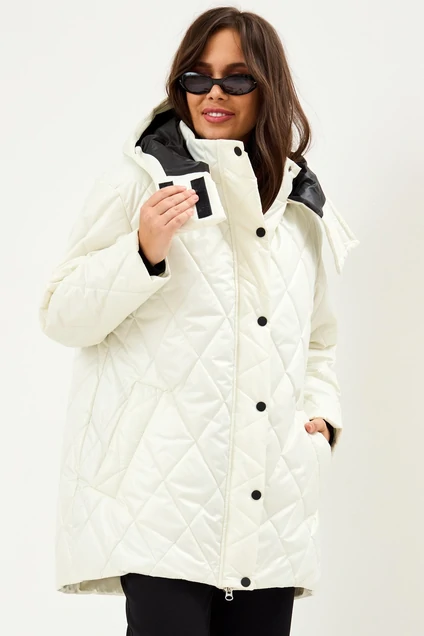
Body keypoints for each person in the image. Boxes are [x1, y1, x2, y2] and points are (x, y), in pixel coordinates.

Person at [39, 6, 359, 636]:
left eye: (237, 78)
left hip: (272, 509)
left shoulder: (300, 209)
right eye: (197, 77)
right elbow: (61, 315)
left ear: (268, 88)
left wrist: (320, 423)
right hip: (160, 507)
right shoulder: (140, 182)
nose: (214, 92)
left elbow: (319, 341)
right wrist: (142, 251)